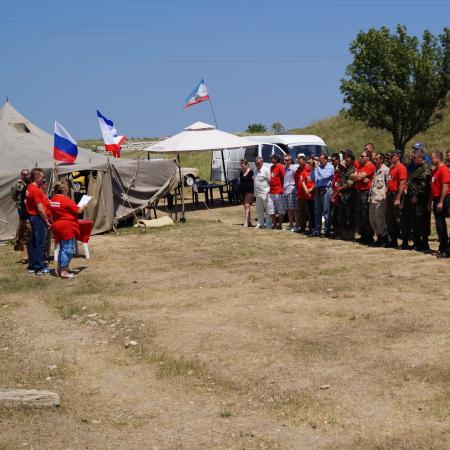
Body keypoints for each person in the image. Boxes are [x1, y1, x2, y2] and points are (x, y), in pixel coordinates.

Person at [50, 181, 86, 277]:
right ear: (64, 190)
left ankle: (59, 269)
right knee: (68, 249)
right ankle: (64, 271)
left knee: (62, 248)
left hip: (57, 226)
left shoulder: (53, 199)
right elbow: (78, 210)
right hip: (66, 227)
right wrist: (83, 206)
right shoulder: (65, 200)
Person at [25, 168, 51, 274]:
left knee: (33, 242)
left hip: (32, 217)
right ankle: (40, 267)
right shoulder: (35, 190)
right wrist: (47, 221)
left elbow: (26, 201)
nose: (44, 179)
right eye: (42, 177)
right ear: (36, 177)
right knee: (39, 243)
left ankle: (32, 265)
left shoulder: (29, 187)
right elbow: (40, 209)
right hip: (37, 218)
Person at [406, 150, 432, 252]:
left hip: (422, 199)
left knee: (423, 221)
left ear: (420, 158)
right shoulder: (418, 167)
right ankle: (418, 243)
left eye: (414, 158)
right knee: (415, 221)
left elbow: (423, 185)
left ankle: (424, 243)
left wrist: (416, 195)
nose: (412, 159)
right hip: (414, 198)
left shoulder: (426, 168)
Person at [351, 151, 376, 245]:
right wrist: (358, 177)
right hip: (358, 191)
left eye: (362, 156)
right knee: (360, 215)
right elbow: (352, 176)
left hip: (365, 192)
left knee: (365, 215)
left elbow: (357, 178)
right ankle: (363, 235)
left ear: (368, 157)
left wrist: (358, 177)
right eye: (360, 155)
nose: (360, 157)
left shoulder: (370, 166)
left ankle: (369, 237)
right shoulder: (360, 166)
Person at [385, 151, 408, 248]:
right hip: (390, 195)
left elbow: (402, 184)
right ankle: (393, 240)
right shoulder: (392, 168)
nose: (390, 158)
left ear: (397, 157)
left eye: (392, 156)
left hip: (396, 195)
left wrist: (398, 198)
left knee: (399, 219)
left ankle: (405, 241)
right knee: (390, 219)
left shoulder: (401, 168)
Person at [430, 151, 450, 258]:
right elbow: (434, 187)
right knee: (439, 225)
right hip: (437, 199)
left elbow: (445, 186)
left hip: (443, 199)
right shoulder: (436, 170)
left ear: (438, 158)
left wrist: (441, 202)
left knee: (442, 225)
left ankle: (446, 249)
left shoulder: (443, 169)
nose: (431, 160)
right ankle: (442, 247)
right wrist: (431, 201)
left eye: (432, 158)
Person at [309, 153, 334, 237]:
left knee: (326, 211)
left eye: (322, 159)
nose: (320, 161)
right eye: (319, 159)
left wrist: (317, 167)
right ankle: (317, 231)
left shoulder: (330, 167)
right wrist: (312, 169)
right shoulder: (317, 167)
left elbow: (324, 176)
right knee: (317, 212)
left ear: (326, 159)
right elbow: (312, 178)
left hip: (326, 190)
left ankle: (327, 231)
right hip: (318, 190)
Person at [368, 153, 389, 247]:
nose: (374, 160)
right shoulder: (376, 170)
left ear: (381, 160)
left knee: (380, 219)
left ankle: (384, 238)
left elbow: (388, 185)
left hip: (381, 199)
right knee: (372, 219)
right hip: (373, 198)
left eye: (376, 159)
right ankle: (378, 237)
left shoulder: (385, 170)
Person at [10, 169, 31, 263]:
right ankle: (24, 256)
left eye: (28, 174)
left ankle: (28, 254)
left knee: (28, 231)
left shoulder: (30, 183)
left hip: (29, 209)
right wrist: (20, 204)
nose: (27, 176)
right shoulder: (17, 184)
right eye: (26, 174)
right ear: (21, 175)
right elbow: (13, 196)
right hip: (21, 209)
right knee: (23, 231)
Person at [335, 154, 356, 240]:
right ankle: (343, 234)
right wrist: (339, 190)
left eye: (348, 161)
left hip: (350, 196)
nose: (346, 162)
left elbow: (350, 183)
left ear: (352, 162)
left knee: (350, 216)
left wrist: (340, 188)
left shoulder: (353, 170)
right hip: (342, 196)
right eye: (345, 161)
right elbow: (340, 180)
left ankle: (350, 235)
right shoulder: (344, 170)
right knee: (342, 216)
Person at [294, 155, 314, 233]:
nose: (300, 164)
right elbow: (296, 182)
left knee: (309, 212)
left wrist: (309, 191)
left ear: (305, 162)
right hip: (300, 194)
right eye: (299, 162)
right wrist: (297, 191)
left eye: (301, 162)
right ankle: (302, 227)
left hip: (308, 194)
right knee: (301, 212)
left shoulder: (308, 169)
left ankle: (310, 228)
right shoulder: (297, 171)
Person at [267, 154, 285, 230]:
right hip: (272, 191)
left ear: (276, 159)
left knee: (280, 209)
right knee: (271, 208)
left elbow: (283, 177)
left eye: (273, 158)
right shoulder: (272, 167)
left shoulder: (280, 167)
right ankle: (274, 224)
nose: (271, 159)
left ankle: (280, 224)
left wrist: (283, 189)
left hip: (279, 191)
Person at [253, 157, 271, 229]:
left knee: (267, 209)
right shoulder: (255, 171)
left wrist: (269, 191)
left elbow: (270, 181)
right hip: (257, 193)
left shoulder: (266, 170)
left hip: (265, 193)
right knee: (259, 209)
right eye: (256, 163)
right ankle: (260, 223)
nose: (257, 164)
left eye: (258, 163)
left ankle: (268, 224)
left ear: (262, 163)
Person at [282, 154, 298, 231]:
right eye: (284, 160)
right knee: (288, 209)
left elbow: (297, 178)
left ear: (290, 161)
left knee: (294, 208)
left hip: (292, 189)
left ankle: (296, 225)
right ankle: (291, 224)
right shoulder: (284, 168)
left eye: (287, 160)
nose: (285, 161)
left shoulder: (293, 168)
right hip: (285, 189)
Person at [239, 159, 254, 227]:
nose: (242, 167)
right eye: (241, 166)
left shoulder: (251, 172)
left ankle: (246, 222)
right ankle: (249, 221)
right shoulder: (241, 173)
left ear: (247, 165)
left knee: (247, 205)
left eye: (243, 166)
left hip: (250, 191)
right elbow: (241, 182)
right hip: (242, 191)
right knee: (246, 206)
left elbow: (254, 181)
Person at [330, 153, 341, 237]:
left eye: (333, 160)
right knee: (334, 216)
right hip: (334, 195)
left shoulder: (340, 172)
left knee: (338, 215)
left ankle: (339, 232)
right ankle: (336, 231)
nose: (332, 162)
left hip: (339, 197)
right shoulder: (334, 171)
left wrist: (334, 196)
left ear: (338, 160)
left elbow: (339, 186)